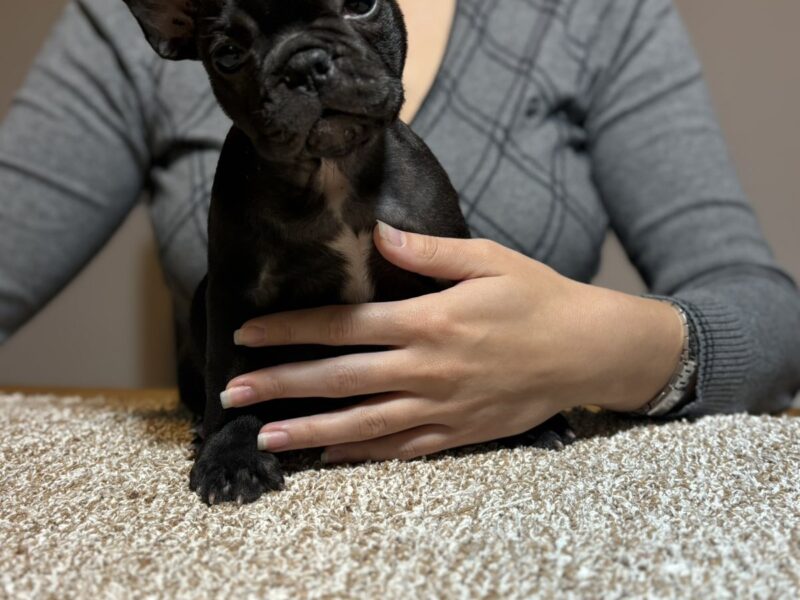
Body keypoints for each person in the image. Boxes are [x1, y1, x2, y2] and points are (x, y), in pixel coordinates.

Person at [1, 0, 798, 464]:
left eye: (354, 5)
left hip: (507, 496)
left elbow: (774, 322)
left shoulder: (591, 16)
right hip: (265, 522)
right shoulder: (115, 33)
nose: (311, 66)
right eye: (237, 49)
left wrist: (596, 348)